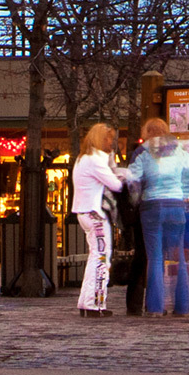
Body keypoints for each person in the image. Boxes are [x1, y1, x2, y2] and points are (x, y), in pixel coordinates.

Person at [123, 118, 189, 316]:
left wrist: (137, 198)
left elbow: (132, 180)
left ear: (148, 133)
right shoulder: (180, 152)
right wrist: (181, 192)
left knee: (155, 257)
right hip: (176, 206)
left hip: (151, 206)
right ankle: (183, 306)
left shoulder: (142, 152)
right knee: (179, 257)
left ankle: (155, 307)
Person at [69, 123, 126, 317]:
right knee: (102, 257)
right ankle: (96, 304)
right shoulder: (96, 160)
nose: (111, 142)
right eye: (108, 138)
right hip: (95, 214)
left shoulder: (83, 158)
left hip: (83, 212)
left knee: (95, 257)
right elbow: (116, 184)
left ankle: (86, 302)